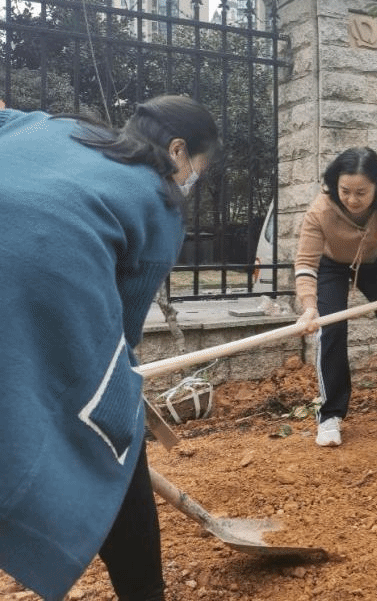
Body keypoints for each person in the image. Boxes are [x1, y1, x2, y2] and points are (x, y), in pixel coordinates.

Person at [0, 96, 220, 601]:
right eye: (198, 168)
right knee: (111, 431)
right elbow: (121, 332)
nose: (192, 180)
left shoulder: (50, 125)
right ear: (178, 150)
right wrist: (120, 399)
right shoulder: (160, 201)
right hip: (25, 311)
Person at [294, 147, 377, 448]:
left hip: (376, 259)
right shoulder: (321, 210)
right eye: (345, 191)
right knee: (331, 328)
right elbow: (306, 263)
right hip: (331, 264)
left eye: (361, 192)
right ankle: (330, 414)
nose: (352, 200)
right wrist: (309, 307)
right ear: (335, 184)